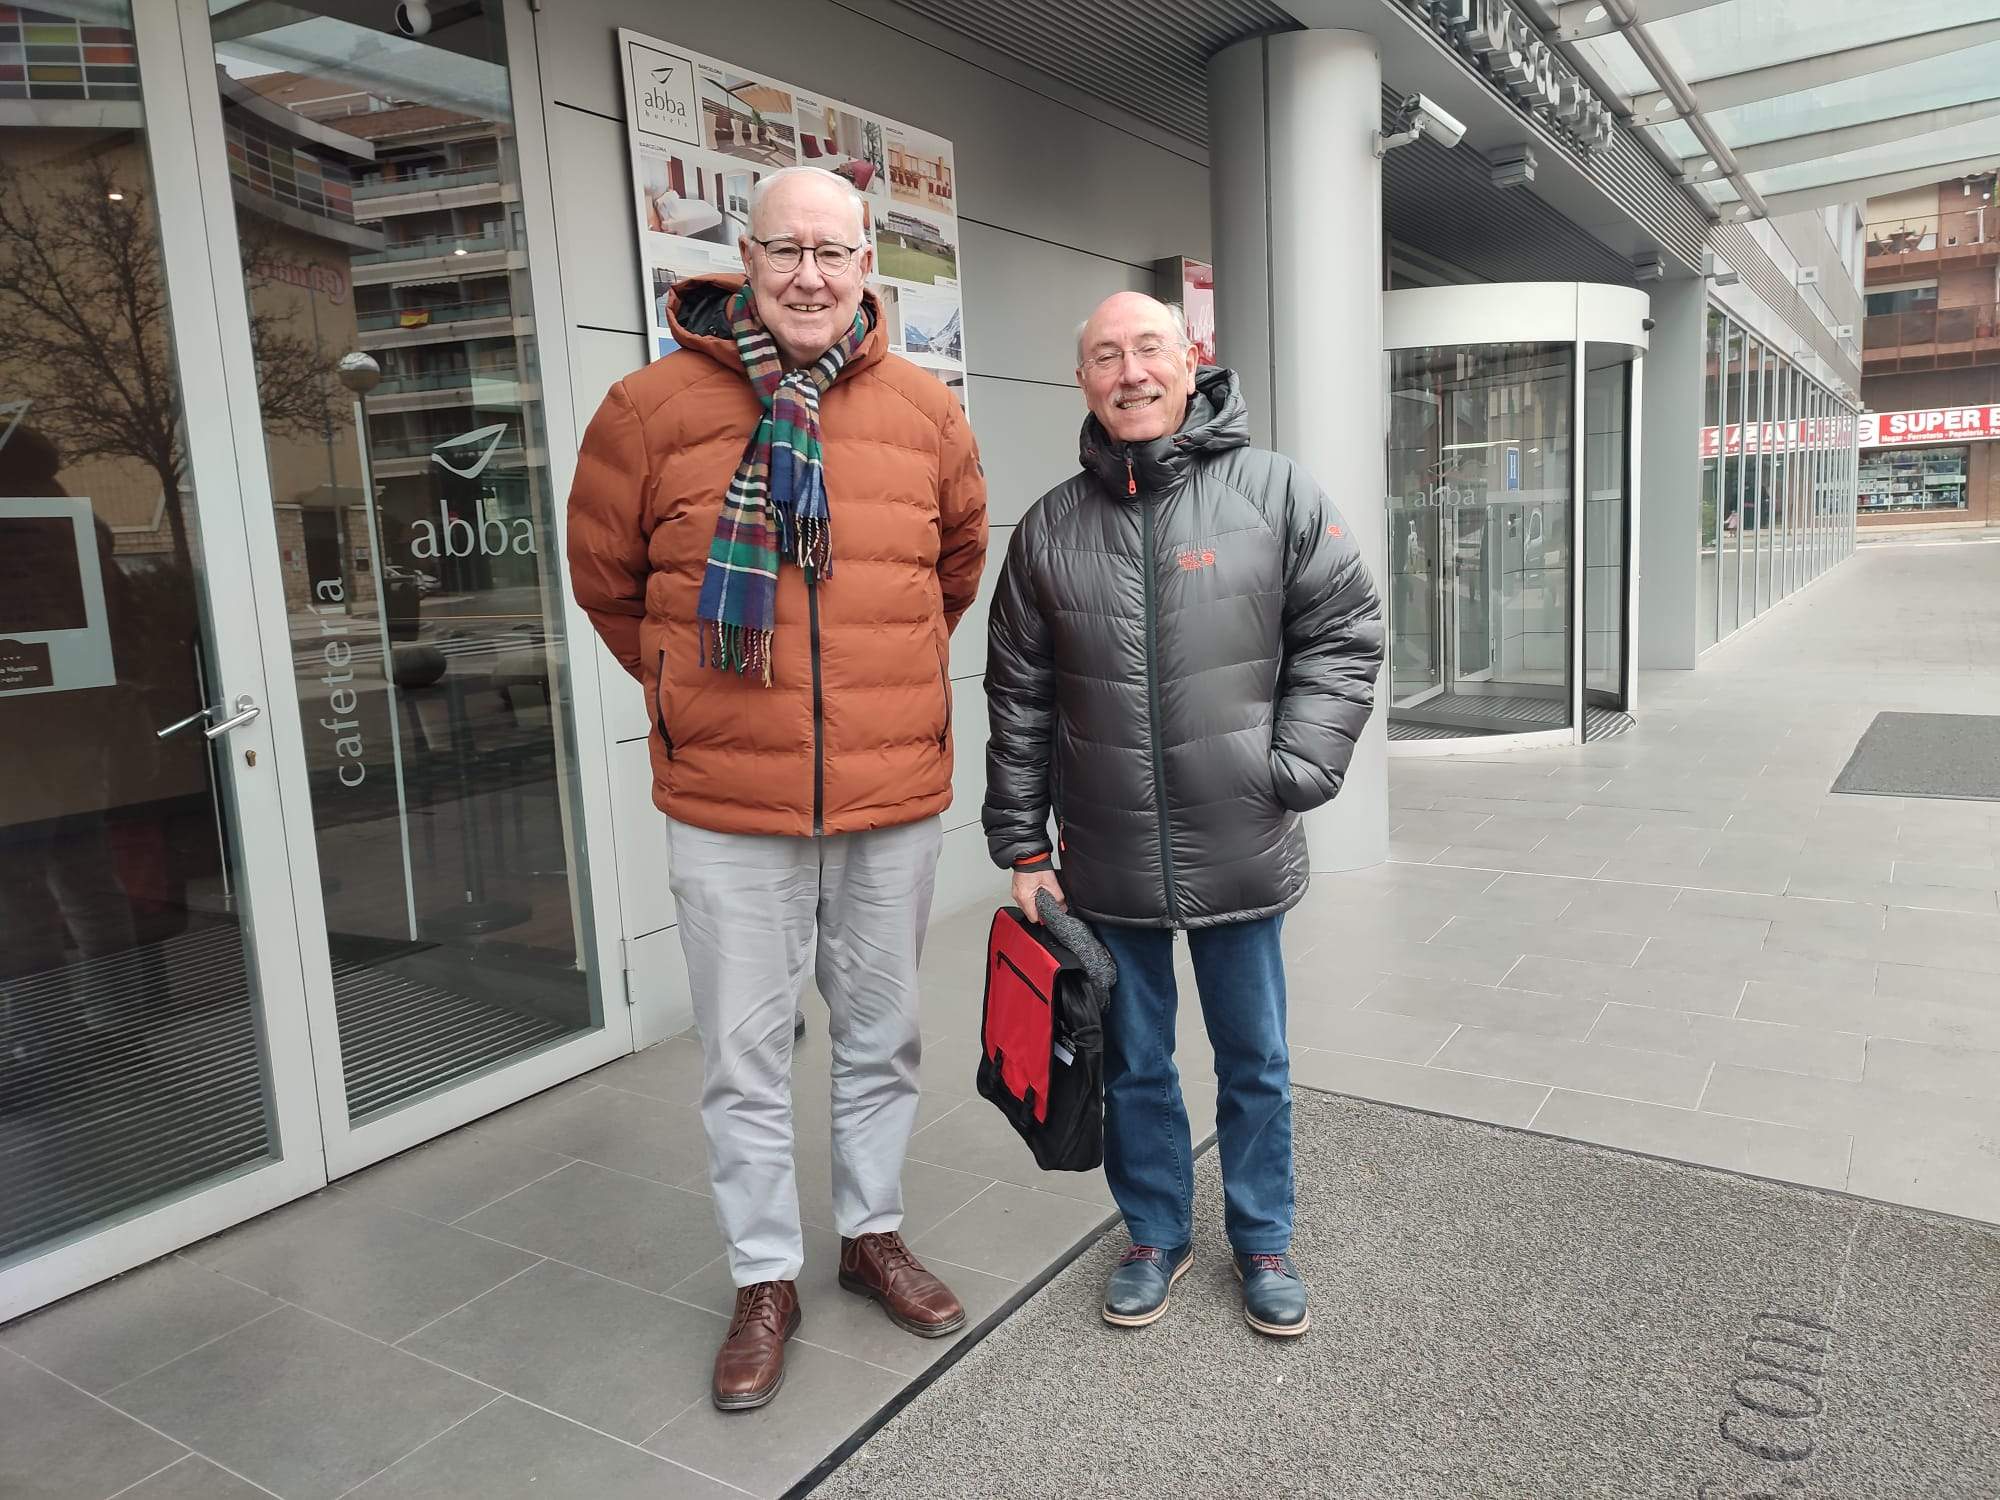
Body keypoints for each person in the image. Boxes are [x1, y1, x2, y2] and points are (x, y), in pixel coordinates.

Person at [567, 165, 988, 1411]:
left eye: (833, 252)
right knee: (743, 1060)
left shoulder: (924, 412)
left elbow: (953, 568)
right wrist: (685, 686)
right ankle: (764, 1276)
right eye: (784, 250)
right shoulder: (647, 411)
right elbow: (609, 584)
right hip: (726, 805)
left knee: (880, 1038)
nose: (809, 274)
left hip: (887, 795)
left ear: (870, 266)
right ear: (740, 259)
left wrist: (873, 679)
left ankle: (870, 1236)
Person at [983, 291, 1382, 1339]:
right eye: (1105, 356)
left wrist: (1293, 766)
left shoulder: (1274, 492)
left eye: (1147, 349)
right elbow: (1015, 699)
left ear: (1190, 359)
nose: (1129, 372)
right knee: (1135, 1062)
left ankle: (1262, 1240)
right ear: (1083, 381)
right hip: (1104, 856)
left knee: (1254, 1059)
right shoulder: (1047, 531)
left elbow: (1344, 630)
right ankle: (1153, 1232)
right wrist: (1021, 843)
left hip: (1239, 839)